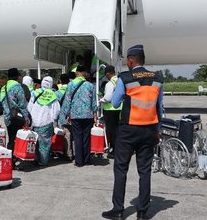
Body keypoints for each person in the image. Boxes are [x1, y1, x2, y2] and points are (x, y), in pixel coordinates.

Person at [102, 45, 163, 220]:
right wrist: (157, 130)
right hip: (150, 130)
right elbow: (160, 107)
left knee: (121, 169)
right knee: (145, 171)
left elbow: (114, 103)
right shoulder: (157, 78)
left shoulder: (125, 77)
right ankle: (142, 212)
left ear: (130, 60)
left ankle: (118, 210)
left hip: (128, 130)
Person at [58, 66, 97, 167]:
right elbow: (94, 102)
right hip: (88, 115)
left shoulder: (71, 85)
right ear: (84, 73)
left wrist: (64, 114)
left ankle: (79, 161)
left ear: (76, 73)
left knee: (78, 137)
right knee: (86, 138)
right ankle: (87, 159)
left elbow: (67, 100)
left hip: (75, 115)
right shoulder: (90, 85)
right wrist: (95, 114)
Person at [27, 76, 60, 166]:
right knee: (45, 143)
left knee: (35, 142)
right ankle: (43, 161)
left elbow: (29, 107)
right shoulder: (53, 95)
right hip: (46, 122)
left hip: (34, 122)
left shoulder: (35, 93)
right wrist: (54, 120)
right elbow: (56, 110)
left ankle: (34, 158)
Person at [0, 68, 30, 153]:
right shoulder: (17, 87)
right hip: (17, 117)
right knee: (17, 139)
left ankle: (9, 159)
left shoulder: (4, 87)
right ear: (17, 76)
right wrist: (26, 119)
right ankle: (14, 160)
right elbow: (22, 104)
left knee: (11, 138)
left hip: (7, 118)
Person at [99, 65, 122, 159]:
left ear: (108, 74)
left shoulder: (109, 84)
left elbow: (108, 98)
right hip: (119, 109)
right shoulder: (119, 81)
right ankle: (118, 149)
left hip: (110, 110)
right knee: (117, 130)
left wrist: (101, 99)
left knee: (112, 131)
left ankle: (114, 151)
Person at [55, 73, 73, 160]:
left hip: (62, 117)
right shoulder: (73, 91)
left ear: (60, 81)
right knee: (73, 134)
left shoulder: (57, 93)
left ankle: (68, 154)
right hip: (73, 115)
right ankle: (75, 153)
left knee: (66, 135)